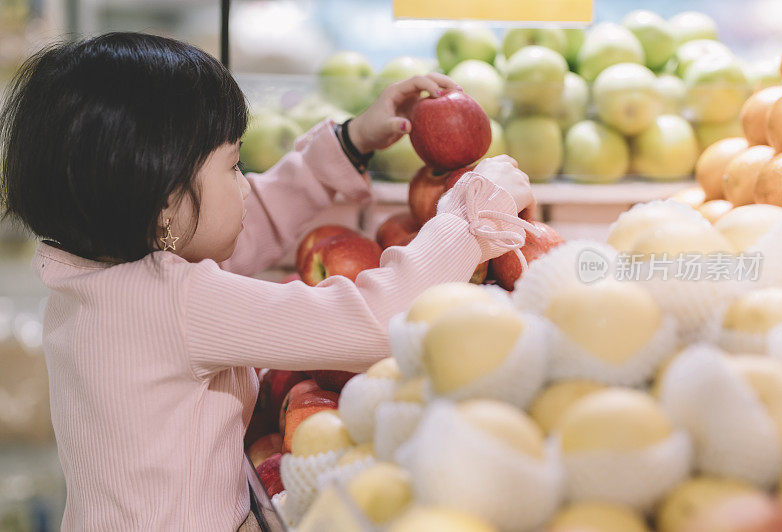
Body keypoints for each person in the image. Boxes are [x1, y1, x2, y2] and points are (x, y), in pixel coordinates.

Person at [0, 32, 535, 531]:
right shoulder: (178, 304)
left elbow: (238, 229)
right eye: (234, 166)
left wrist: (347, 145)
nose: (244, 185)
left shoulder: (93, 278)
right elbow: (369, 324)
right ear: (166, 202)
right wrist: (470, 219)